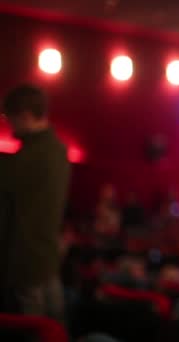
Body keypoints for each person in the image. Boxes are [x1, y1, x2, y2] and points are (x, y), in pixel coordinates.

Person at [0, 85, 70, 322]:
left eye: (10, 120)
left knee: (33, 330)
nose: (9, 127)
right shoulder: (59, 150)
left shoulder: (25, 159)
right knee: (55, 327)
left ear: (25, 116)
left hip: (24, 261)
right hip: (48, 256)